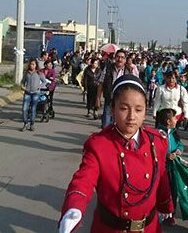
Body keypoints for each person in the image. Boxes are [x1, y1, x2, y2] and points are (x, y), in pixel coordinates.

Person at [58, 74, 174, 233]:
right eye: (124, 108)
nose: (132, 117)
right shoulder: (100, 145)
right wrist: (74, 208)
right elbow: (83, 180)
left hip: (149, 228)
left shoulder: (157, 142)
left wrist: (165, 204)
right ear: (112, 109)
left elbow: (161, 177)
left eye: (138, 109)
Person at [156, 108, 184, 226]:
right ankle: (158, 214)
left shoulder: (174, 133)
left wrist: (179, 150)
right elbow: (155, 150)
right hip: (161, 170)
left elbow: (180, 145)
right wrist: (166, 155)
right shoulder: (157, 134)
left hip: (173, 169)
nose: (176, 120)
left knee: (173, 192)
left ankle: (170, 214)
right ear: (168, 121)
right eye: (174, 117)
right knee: (160, 191)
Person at [96, 49, 133, 129]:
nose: (120, 59)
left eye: (122, 57)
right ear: (114, 58)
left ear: (125, 60)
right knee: (106, 125)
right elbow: (101, 83)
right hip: (109, 101)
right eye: (118, 57)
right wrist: (98, 99)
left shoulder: (128, 71)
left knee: (119, 126)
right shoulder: (108, 69)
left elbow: (132, 88)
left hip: (122, 102)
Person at [20, 59, 47, 132]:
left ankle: (32, 124)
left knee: (33, 109)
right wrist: (23, 87)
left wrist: (39, 86)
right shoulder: (27, 73)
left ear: (36, 65)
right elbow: (22, 82)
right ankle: (25, 123)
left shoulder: (39, 73)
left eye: (33, 64)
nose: (32, 66)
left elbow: (44, 82)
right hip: (27, 93)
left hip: (36, 93)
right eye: (31, 64)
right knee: (24, 109)